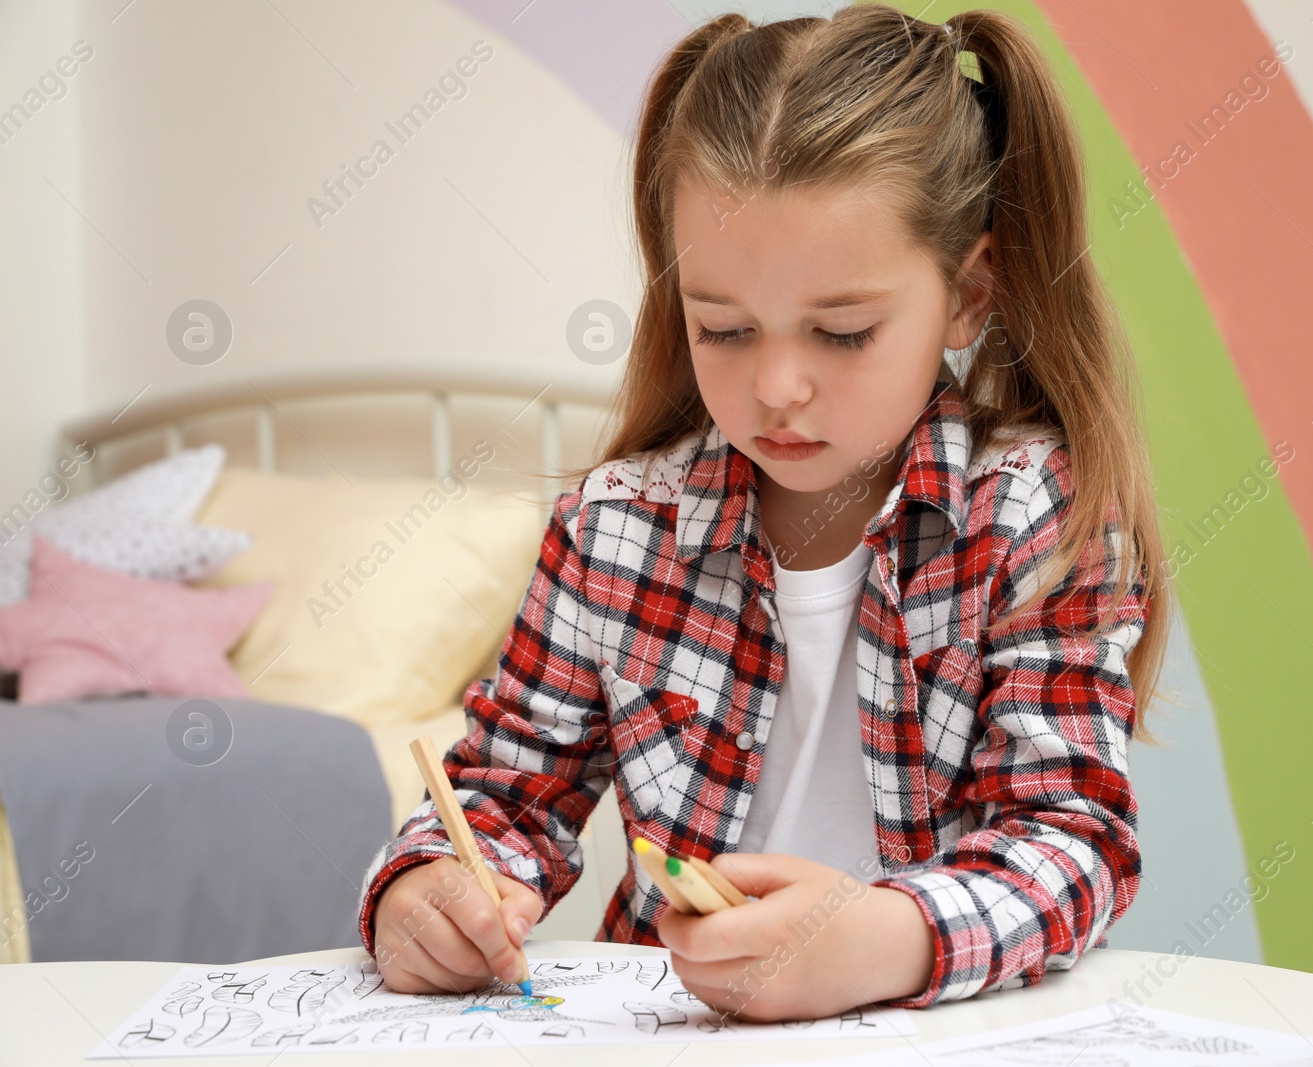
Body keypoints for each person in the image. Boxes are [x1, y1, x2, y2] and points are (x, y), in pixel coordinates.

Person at [357, 4, 1172, 1022]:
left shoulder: (1030, 517)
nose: (776, 385)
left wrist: (886, 935)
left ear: (969, 293)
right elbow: (498, 796)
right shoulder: (617, 529)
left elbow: (1072, 835)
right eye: (724, 327)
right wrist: (427, 890)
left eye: (840, 332)